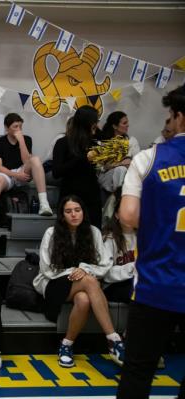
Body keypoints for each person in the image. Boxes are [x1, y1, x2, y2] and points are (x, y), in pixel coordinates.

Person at [117, 84, 185, 399]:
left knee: (138, 372)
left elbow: (128, 216)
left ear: (179, 117)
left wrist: (162, 224)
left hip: (157, 283)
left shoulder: (148, 158)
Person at [32, 195, 124, 368]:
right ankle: (114, 339)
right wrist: (77, 271)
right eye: (68, 211)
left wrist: (84, 269)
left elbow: (105, 264)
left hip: (80, 284)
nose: (74, 214)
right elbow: (47, 269)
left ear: (83, 212)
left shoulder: (93, 232)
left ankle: (66, 345)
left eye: (77, 210)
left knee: (83, 299)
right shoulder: (51, 233)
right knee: (89, 281)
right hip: (53, 283)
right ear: (62, 215)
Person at [0, 113, 53, 233]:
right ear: (7, 128)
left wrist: (21, 141)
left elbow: (26, 161)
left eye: (20, 126)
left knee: (35, 159)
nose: (18, 129)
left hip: (22, 171)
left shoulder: (27, 139)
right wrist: (16, 175)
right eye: (15, 127)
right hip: (6, 174)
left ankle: (44, 204)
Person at [52, 105, 103, 227]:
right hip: (70, 197)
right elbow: (56, 172)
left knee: (93, 235)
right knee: (67, 236)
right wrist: (82, 157)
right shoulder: (62, 143)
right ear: (88, 123)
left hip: (92, 197)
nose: (97, 124)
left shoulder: (94, 142)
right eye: (95, 121)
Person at [101, 192, 136, 303]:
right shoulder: (109, 238)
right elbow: (105, 273)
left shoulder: (144, 235)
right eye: (126, 212)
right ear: (116, 215)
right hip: (113, 286)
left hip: (135, 280)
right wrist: (132, 268)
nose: (130, 216)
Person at [96, 111, 140, 193]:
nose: (128, 125)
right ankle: (118, 198)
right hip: (107, 178)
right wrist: (119, 164)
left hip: (128, 176)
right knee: (120, 169)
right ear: (115, 126)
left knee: (123, 170)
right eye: (124, 123)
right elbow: (99, 168)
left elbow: (138, 163)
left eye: (127, 122)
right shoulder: (103, 143)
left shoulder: (131, 141)